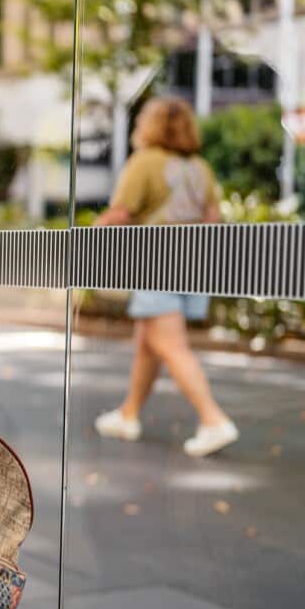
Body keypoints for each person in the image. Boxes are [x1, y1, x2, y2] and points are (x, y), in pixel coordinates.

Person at [93, 96, 239, 458]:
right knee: (149, 341)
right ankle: (129, 415)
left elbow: (122, 213)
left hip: (156, 264)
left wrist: (89, 236)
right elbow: (211, 219)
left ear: (150, 126)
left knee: (170, 345)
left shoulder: (144, 163)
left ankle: (213, 420)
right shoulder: (199, 168)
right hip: (191, 267)